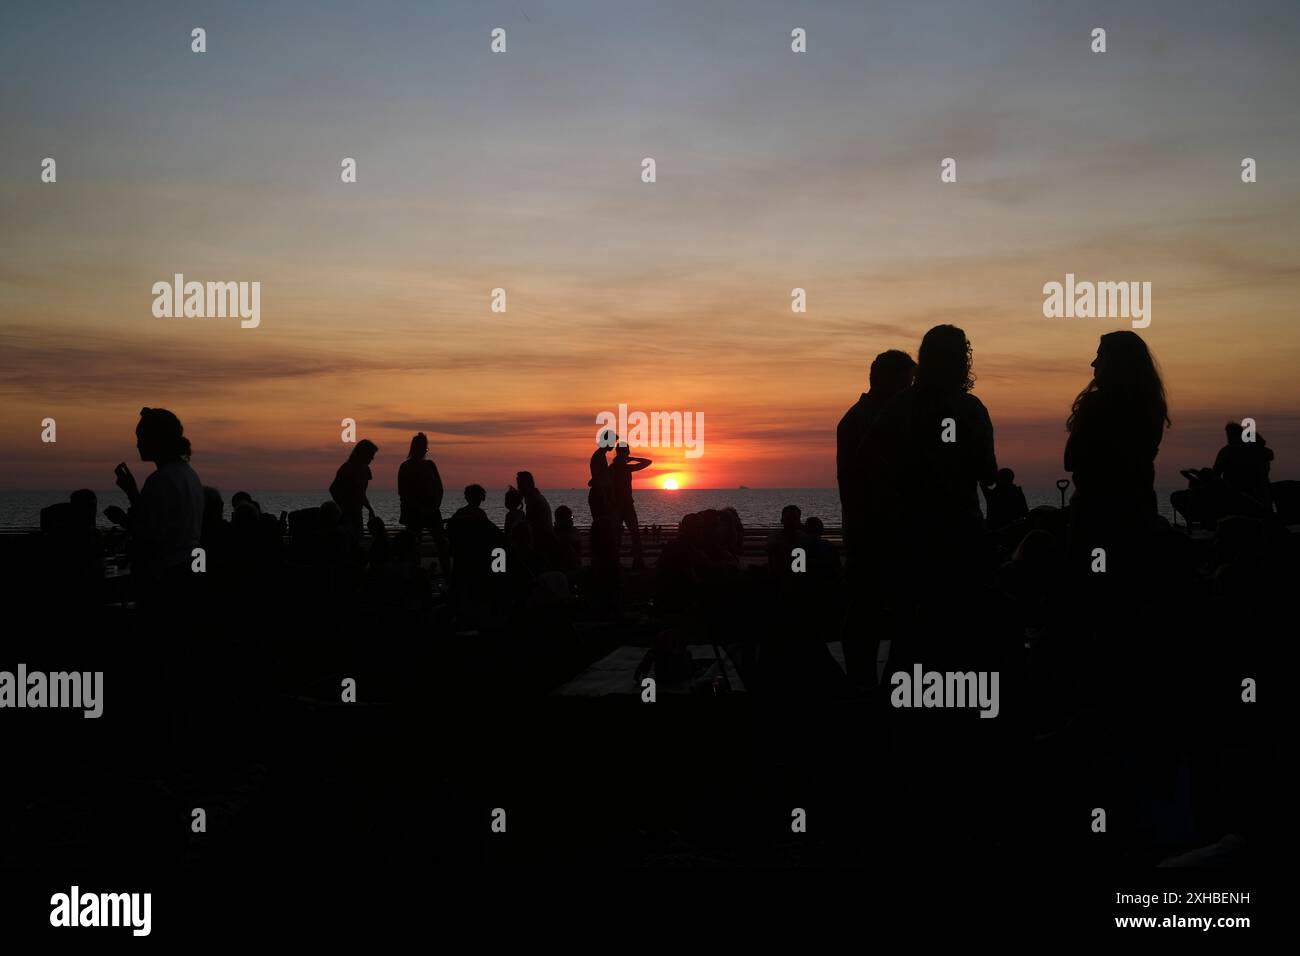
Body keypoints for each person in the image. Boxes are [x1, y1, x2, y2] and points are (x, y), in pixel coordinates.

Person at [1064, 331, 1169, 577]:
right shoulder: (1151, 407)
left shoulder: (1095, 405)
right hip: (1138, 512)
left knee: (1089, 584)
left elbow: (1070, 460)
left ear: (1113, 362)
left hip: (1096, 515)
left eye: (1099, 355)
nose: (1093, 363)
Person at [108, 407, 205, 603]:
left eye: (141, 437)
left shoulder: (161, 480)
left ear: (157, 439)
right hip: (185, 573)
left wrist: (131, 497)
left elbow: (147, 533)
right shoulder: (189, 475)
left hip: (165, 579)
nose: (137, 444)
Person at [837, 349, 916, 563]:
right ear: (886, 380)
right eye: (905, 385)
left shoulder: (872, 418)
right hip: (874, 539)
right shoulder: (860, 421)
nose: (909, 391)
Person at [397, 432, 450, 574]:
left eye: (425, 449)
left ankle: (446, 572)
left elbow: (439, 487)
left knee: (441, 542)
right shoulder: (406, 467)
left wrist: (435, 505)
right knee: (414, 544)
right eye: (422, 449)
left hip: (431, 507)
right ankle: (415, 572)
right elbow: (403, 492)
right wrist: (418, 507)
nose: (424, 452)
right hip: (413, 509)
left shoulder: (430, 465)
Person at [1212, 422, 1274, 514]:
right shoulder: (1257, 449)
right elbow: (1270, 455)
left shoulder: (1227, 451)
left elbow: (1216, 473)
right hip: (1260, 492)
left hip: (1237, 493)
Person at [608, 444, 652, 571]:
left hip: (621, 505)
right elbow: (647, 462)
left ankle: (626, 562)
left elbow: (648, 462)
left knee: (621, 535)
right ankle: (632, 562)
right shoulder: (621, 468)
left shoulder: (616, 467)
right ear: (625, 453)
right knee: (631, 535)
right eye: (627, 452)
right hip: (623, 505)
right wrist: (632, 458)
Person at [330, 440, 378, 542]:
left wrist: (369, 508)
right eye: (371, 455)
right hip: (347, 513)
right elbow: (333, 489)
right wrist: (343, 506)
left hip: (357, 511)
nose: (372, 458)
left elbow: (361, 493)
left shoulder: (366, 470)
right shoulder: (346, 469)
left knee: (357, 539)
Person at [980, 467, 1030, 532]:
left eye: (998, 477)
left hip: (997, 532)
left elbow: (982, 483)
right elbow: (1025, 512)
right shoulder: (1018, 492)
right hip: (1014, 531)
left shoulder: (994, 495)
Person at [588, 429, 617, 524]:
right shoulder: (599, 456)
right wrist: (606, 499)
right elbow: (599, 480)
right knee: (603, 524)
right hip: (600, 495)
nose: (614, 444)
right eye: (613, 442)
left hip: (600, 494)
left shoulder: (600, 455)